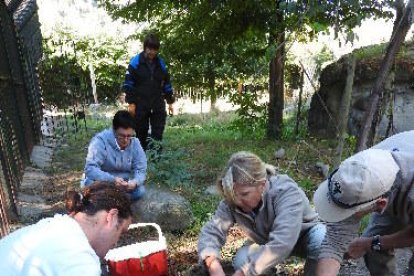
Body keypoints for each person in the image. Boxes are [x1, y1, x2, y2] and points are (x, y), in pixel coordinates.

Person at [198, 151, 326, 276]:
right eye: (233, 195)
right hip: (266, 241)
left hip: (303, 236)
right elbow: (211, 232)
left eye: (244, 194)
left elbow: (284, 239)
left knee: (322, 241)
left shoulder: (285, 191)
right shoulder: (232, 200)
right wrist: (212, 263)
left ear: (262, 185)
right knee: (241, 262)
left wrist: (245, 272)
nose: (237, 201)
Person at [313, 130, 414, 276]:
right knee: (374, 251)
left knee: (373, 244)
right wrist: (372, 244)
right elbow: (334, 241)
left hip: (406, 191)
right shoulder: (357, 172)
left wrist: (371, 243)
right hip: (396, 188)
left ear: (380, 205)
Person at [0, 182, 132, 275]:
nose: (116, 243)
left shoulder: (53, 226)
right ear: (112, 217)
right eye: (121, 232)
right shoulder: (80, 263)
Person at [122, 33, 175, 151]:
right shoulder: (135, 63)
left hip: (157, 102)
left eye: (155, 49)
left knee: (158, 132)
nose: (152, 52)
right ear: (145, 47)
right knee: (141, 133)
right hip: (140, 103)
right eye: (149, 49)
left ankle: (157, 158)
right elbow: (128, 84)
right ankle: (142, 158)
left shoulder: (161, 64)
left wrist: (170, 102)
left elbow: (167, 83)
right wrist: (131, 103)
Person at [82, 110, 147, 200]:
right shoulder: (100, 141)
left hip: (123, 184)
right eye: (122, 135)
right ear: (114, 130)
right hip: (102, 182)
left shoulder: (135, 143)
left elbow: (141, 169)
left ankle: (117, 204)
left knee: (140, 191)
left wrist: (135, 182)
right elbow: (90, 169)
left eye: (129, 136)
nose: (125, 140)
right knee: (89, 185)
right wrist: (112, 180)